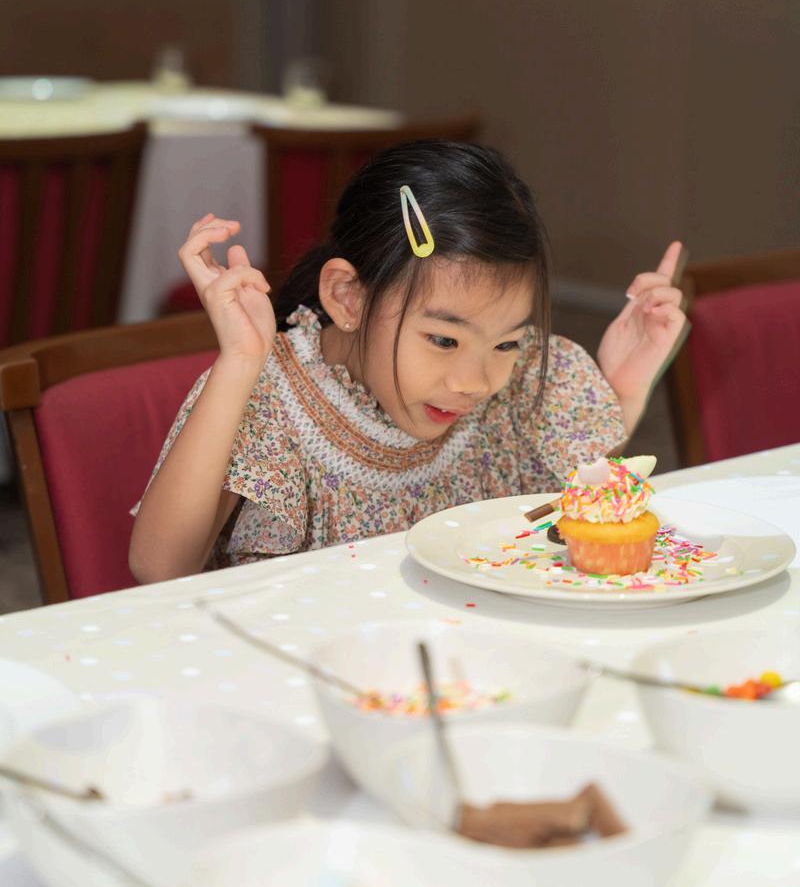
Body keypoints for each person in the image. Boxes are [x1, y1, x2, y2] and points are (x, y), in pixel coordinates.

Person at [129, 140, 685, 584]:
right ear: (347, 297)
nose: (475, 382)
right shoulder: (269, 390)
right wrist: (239, 362)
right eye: (443, 340)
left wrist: (623, 388)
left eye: (507, 343)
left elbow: (580, 499)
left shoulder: (520, 376)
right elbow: (160, 569)